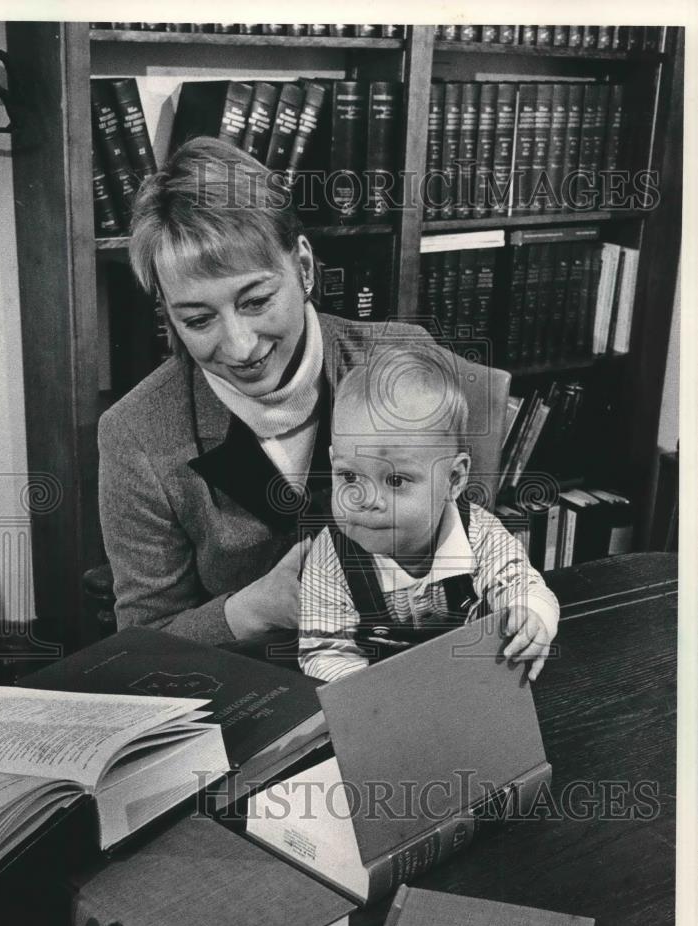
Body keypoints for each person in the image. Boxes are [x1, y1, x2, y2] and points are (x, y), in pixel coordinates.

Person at [97, 137, 506, 646]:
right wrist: (248, 611)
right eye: (198, 319)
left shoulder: (401, 357)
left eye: (257, 300)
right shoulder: (135, 434)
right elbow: (142, 643)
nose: (241, 347)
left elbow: (474, 541)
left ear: (305, 268)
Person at [298, 348, 560, 682]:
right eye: (349, 476)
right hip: (380, 701)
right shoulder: (330, 557)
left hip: (470, 683)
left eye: (395, 480)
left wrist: (530, 616)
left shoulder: (478, 534)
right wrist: (370, 699)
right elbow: (325, 651)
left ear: (453, 480)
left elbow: (523, 584)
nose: (365, 499)